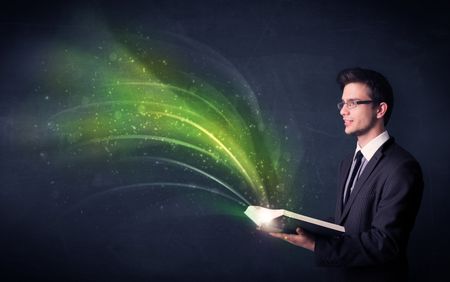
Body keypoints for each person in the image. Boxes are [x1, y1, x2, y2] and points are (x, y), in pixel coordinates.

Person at [269, 67, 423, 282]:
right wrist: (295, 226)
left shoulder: (401, 166)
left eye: (353, 103)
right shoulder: (348, 163)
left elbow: (385, 243)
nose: (343, 111)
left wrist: (316, 245)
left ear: (380, 110)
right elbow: (347, 225)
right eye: (342, 103)